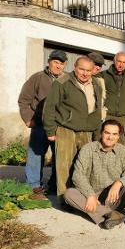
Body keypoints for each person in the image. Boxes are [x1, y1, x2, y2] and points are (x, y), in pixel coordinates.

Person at [64, 119, 125, 235]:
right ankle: (110, 214)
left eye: (114, 134)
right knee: (69, 194)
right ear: (101, 133)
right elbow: (78, 175)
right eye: (107, 133)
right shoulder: (87, 149)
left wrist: (118, 183)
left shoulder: (123, 151)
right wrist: (90, 194)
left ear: (118, 136)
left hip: (115, 197)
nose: (110, 137)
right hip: (94, 198)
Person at [43, 56, 104, 197]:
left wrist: (97, 128)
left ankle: (82, 196)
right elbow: (50, 107)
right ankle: (65, 198)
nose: (85, 73)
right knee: (64, 165)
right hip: (66, 129)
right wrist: (50, 130)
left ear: (93, 70)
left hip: (87, 130)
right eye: (81, 69)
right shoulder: (62, 82)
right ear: (75, 67)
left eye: (88, 70)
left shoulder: (97, 83)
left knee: (85, 165)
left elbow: (98, 107)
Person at [18, 49, 67, 196]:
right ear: (49, 62)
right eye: (56, 62)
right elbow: (24, 100)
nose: (58, 66)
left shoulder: (68, 80)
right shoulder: (37, 77)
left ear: (65, 65)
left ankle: (54, 185)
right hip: (39, 125)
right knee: (36, 155)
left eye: (62, 63)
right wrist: (28, 118)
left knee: (59, 156)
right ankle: (33, 186)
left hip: (59, 126)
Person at [102, 51, 125, 123]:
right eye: (119, 61)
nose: (121, 65)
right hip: (107, 115)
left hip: (123, 117)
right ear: (114, 61)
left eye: (124, 62)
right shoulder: (104, 75)